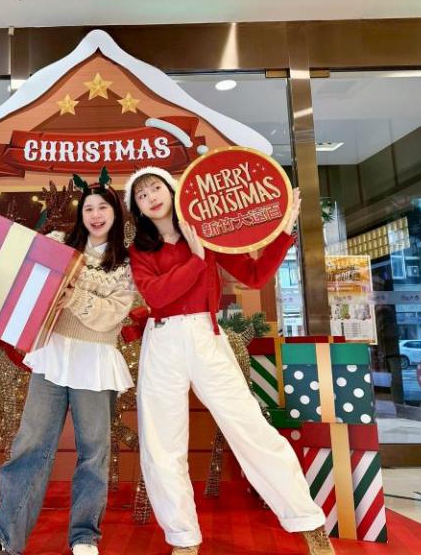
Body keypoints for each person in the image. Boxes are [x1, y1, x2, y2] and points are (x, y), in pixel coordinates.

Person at [124, 166, 334, 555]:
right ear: (137, 208)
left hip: (206, 336)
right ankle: (183, 539)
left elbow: (254, 276)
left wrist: (284, 232)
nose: (151, 196)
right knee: (161, 443)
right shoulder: (141, 249)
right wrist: (195, 260)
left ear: (173, 190)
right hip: (163, 340)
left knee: (250, 427)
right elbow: (156, 296)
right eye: (141, 194)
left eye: (156, 187)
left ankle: (308, 522)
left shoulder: (206, 235)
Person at [0, 175, 135, 555]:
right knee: (31, 444)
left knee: (93, 453)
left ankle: (84, 537)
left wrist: (71, 296)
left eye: (103, 207)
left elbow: (111, 315)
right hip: (53, 355)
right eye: (88, 208)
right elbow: (18, 275)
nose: (95, 214)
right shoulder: (58, 245)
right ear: (81, 214)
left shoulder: (126, 264)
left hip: (95, 362)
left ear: (115, 214)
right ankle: (3, 535)